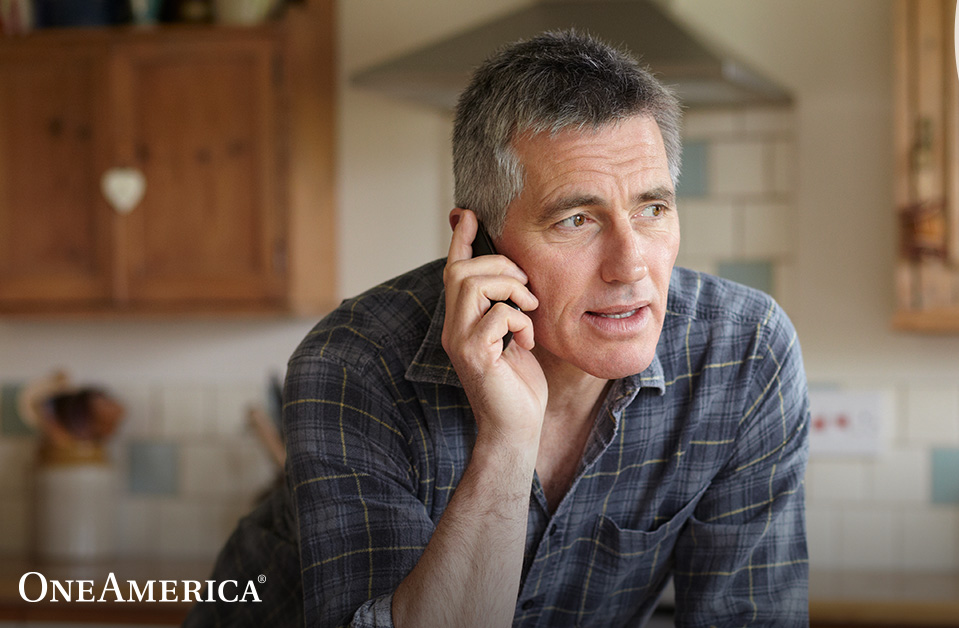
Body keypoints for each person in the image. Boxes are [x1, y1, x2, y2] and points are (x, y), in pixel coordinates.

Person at [283, 30, 809, 627]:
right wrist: (507, 441)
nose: (632, 266)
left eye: (652, 209)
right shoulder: (354, 364)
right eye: (577, 219)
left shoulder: (744, 353)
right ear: (479, 242)